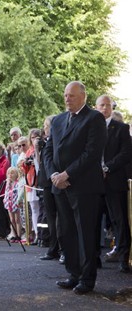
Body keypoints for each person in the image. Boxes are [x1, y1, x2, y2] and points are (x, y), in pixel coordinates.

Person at [44, 81, 107, 294]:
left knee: (85, 233)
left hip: (83, 186)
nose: (67, 98)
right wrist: (54, 174)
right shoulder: (58, 120)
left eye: (71, 95)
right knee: (66, 232)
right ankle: (73, 273)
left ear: (83, 97)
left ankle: (87, 280)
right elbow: (48, 150)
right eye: (65, 95)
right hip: (59, 186)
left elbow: (91, 153)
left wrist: (67, 174)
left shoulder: (94, 118)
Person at [95, 95, 132, 273]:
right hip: (93, 182)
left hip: (114, 181)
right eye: (101, 105)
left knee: (119, 220)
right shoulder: (90, 128)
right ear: (96, 107)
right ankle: (93, 258)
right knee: (94, 221)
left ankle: (124, 257)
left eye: (108, 105)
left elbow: (126, 153)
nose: (105, 108)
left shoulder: (121, 128)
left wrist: (107, 168)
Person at [38, 115, 61, 261]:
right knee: (51, 217)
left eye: (46, 127)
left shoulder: (58, 142)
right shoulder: (44, 143)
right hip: (46, 182)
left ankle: (63, 249)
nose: (44, 130)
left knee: (61, 218)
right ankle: (53, 248)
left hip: (56, 181)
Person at [3, 167, 23, 242]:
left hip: (15, 202)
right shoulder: (8, 183)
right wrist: (5, 200)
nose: (10, 175)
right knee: (12, 219)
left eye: (12, 173)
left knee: (17, 219)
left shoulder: (18, 183)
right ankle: (14, 234)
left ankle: (19, 235)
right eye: (8, 173)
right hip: (9, 202)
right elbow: (6, 192)